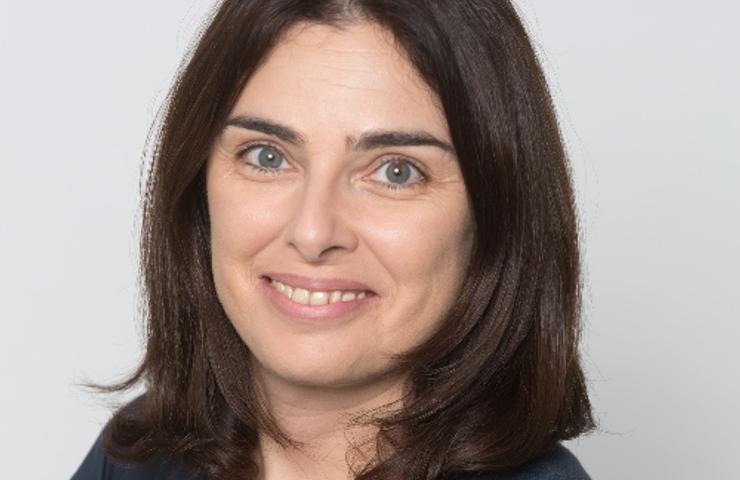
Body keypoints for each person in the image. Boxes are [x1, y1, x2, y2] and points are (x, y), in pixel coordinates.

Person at [72, 1, 595, 479]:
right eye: (267, 156)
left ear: (496, 218)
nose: (312, 232)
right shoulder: (140, 454)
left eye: (396, 171)